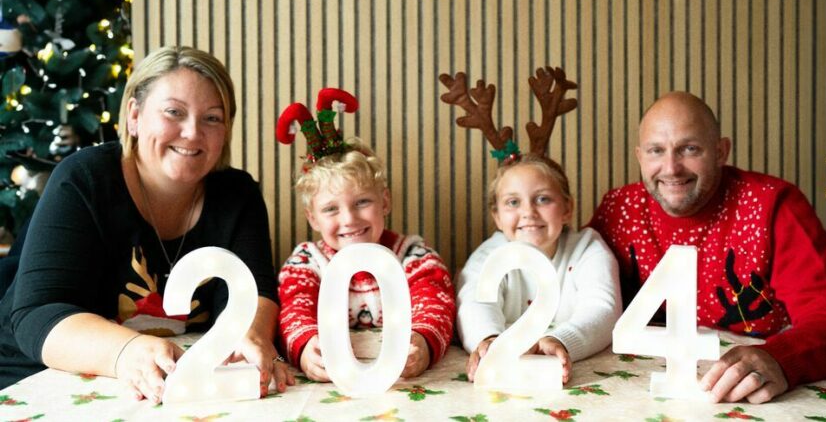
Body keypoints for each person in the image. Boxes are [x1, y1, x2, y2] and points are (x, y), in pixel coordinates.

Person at [0, 46, 295, 401]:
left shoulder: (238, 194)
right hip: (37, 380)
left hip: (165, 391)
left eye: (212, 118)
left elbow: (256, 290)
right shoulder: (83, 180)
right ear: (134, 115)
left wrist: (249, 333)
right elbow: (38, 315)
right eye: (174, 112)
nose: (192, 133)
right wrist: (128, 351)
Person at [589, 91, 826, 404]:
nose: (671, 168)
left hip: (754, 392)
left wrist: (780, 358)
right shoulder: (617, 209)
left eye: (689, 149)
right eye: (656, 151)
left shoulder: (773, 206)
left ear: (720, 151)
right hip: (649, 391)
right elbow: (575, 296)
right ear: (640, 157)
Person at [276, 98, 455, 381]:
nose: (349, 219)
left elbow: (436, 303)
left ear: (385, 201)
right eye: (331, 209)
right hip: (337, 380)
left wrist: (422, 341)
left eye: (361, 202)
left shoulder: (414, 256)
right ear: (312, 218)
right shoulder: (307, 263)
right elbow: (294, 308)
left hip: (396, 379)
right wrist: (305, 346)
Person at [457, 154, 622, 384]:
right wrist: (490, 340)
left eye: (543, 199)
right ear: (497, 216)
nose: (528, 212)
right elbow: (474, 302)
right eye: (513, 202)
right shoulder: (490, 256)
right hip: (508, 371)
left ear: (567, 208)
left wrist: (561, 340)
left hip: (563, 371)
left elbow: (603, 309)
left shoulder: (588, 248)